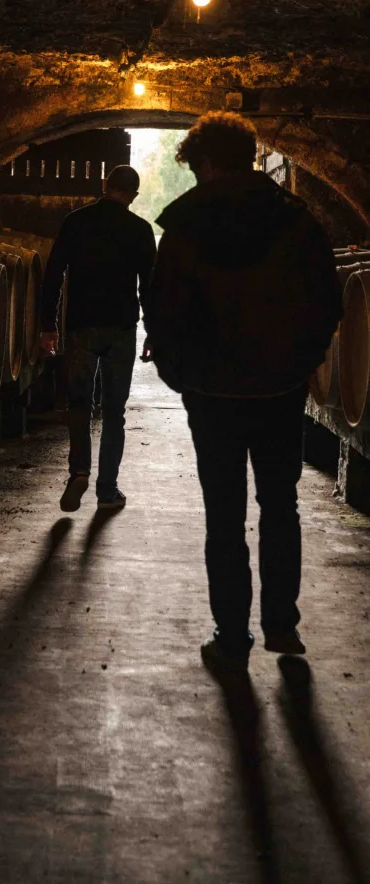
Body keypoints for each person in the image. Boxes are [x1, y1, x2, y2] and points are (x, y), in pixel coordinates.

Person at [144, 112, 342, 673]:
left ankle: (232, 633)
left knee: (224, 514)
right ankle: (282, 626)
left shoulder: (185, 227)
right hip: (279, 391)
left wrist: (182, 376)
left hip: (212, 394)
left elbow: (162, 311)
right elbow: (326, 303)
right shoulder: (297, 220)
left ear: (207, 162)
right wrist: (299, 366)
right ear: (251, 155)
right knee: (281, 505)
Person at [40, 164, 157, 512]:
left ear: (104, 185)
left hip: (81, 328)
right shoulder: (140, 229)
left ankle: (79, 470)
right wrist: (153, 330)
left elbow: (53, 274)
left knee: (79, 404)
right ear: (134, 195)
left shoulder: (75, 221)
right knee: (114, 412)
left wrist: (48, 324)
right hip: (121, 329)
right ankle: (107, 489)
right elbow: (149, 287)